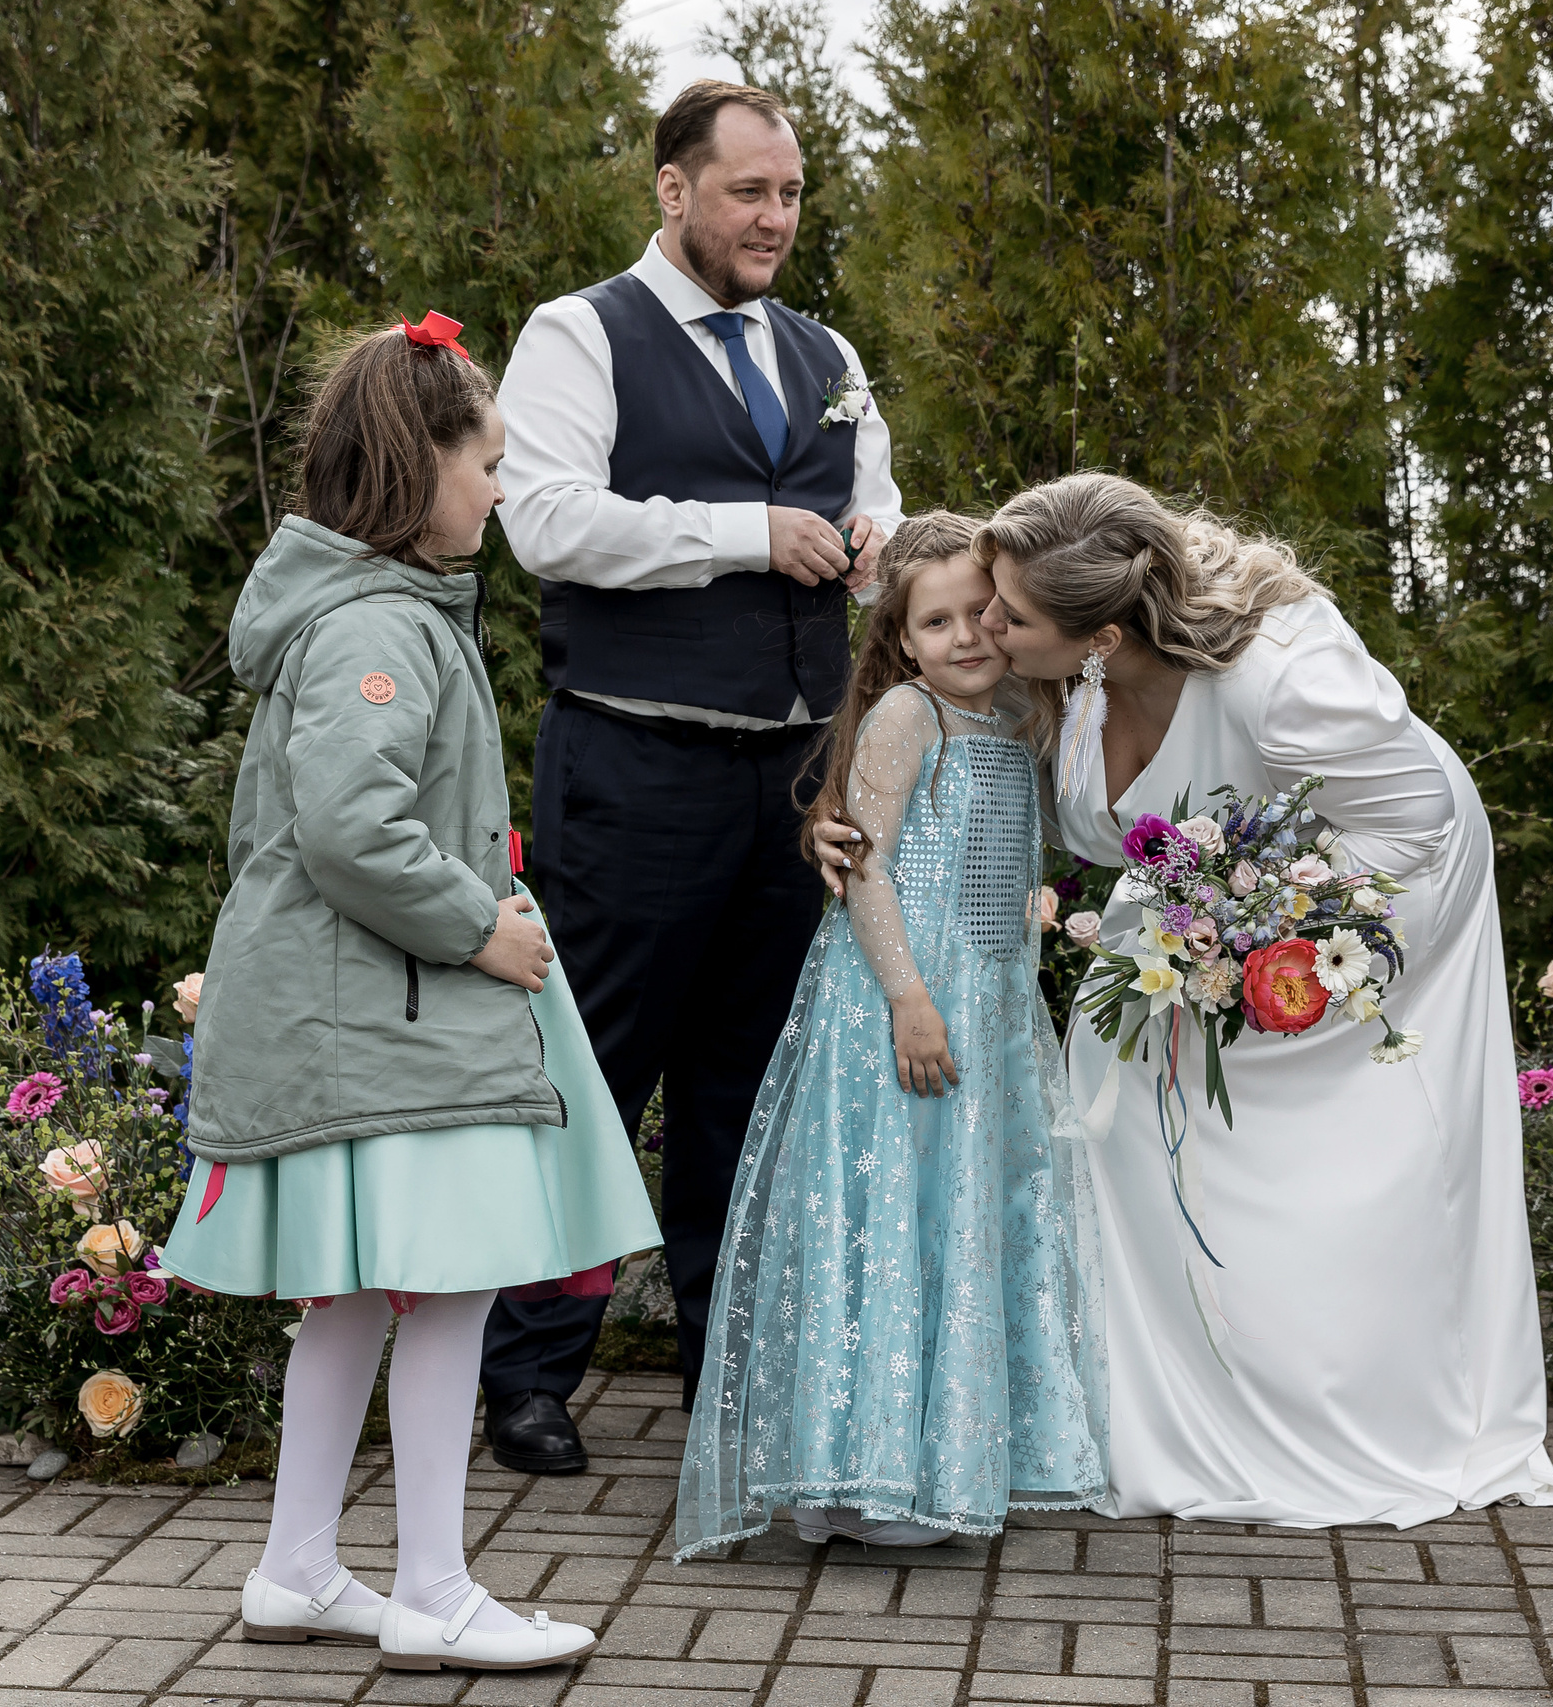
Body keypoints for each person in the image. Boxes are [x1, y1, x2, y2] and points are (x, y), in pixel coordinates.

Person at [816, 474, 1553, 1527]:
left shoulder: (1282, 678)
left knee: (1326, 1155)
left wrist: (1271, 944)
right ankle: (1154, 1408)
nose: (988, 624)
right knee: (1113, 1093)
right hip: (1204, 900)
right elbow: (943, 776)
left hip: (1382, 894)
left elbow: (1414, 823)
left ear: (1096, 635)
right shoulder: (1050, 677)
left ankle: (1340, 1393)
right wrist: (842, 828)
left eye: (1008, 611)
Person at [164, 315, 662, 1672]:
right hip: (391, 1014)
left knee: (363, 1298)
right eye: (487, 462)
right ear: (416, 465)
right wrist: (475, 930)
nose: (502, 491)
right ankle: (434, 1586)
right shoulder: (378, 625)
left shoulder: (369, 612)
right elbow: (351, 827)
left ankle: (299, 1566)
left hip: (370, 1013)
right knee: (445, 1292)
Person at [488, 76, 902, 1468]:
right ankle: (529, 1369)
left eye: (789, 193)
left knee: (747, 1074)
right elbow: (542, 519)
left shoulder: (825, 349)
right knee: (595, 1067)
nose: (775, 217)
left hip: (790, 777)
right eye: (749, 192)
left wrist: (881, 551)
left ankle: (727, 1348)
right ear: (674, 192)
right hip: (634, 761)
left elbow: (876, 505)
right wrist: (745, 532)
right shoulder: (577, 333)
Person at [672, 514, 1107, 1556]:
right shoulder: (907, 718)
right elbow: (865, 865)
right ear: (902, 640)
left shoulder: (1019, 713)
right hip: (897, 1005)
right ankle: (850, 1470)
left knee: (962, 1217)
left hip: (991, 1008)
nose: (965, 635)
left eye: (981, 615)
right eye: (937, 620)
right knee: (885, 1214)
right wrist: (910, 998)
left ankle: (945, 1456)